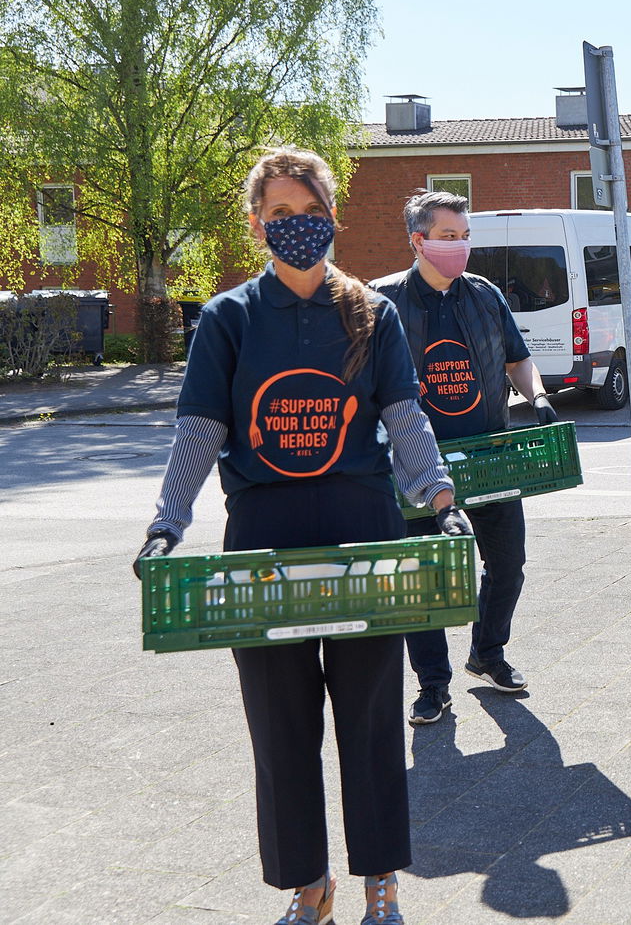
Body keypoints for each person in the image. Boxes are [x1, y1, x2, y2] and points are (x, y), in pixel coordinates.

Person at [136, 147, 466, 925]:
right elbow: (200, 430)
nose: (295, 227)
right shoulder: (227, 320)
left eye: (308, 212)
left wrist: (440, 496)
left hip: (363, 533)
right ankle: (307, 884)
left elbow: (404, 418)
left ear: (331, 217)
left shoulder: (371, 314)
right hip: (264, 538)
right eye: (278, 215)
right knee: (281, 726)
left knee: (372, 718)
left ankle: (380, 881)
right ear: (257, 226)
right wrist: (165, 523)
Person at [370, 190, 559, 726]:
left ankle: (487, 653)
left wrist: (537, 397)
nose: (460, 247)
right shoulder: (380, 301)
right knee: (422, 579)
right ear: (419, 240)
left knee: (508, 565)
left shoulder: (484, 296)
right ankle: (433, 684)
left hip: (489, 456)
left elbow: (519, 361)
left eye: (464, 236)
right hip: (415, 466)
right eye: (448, 236)